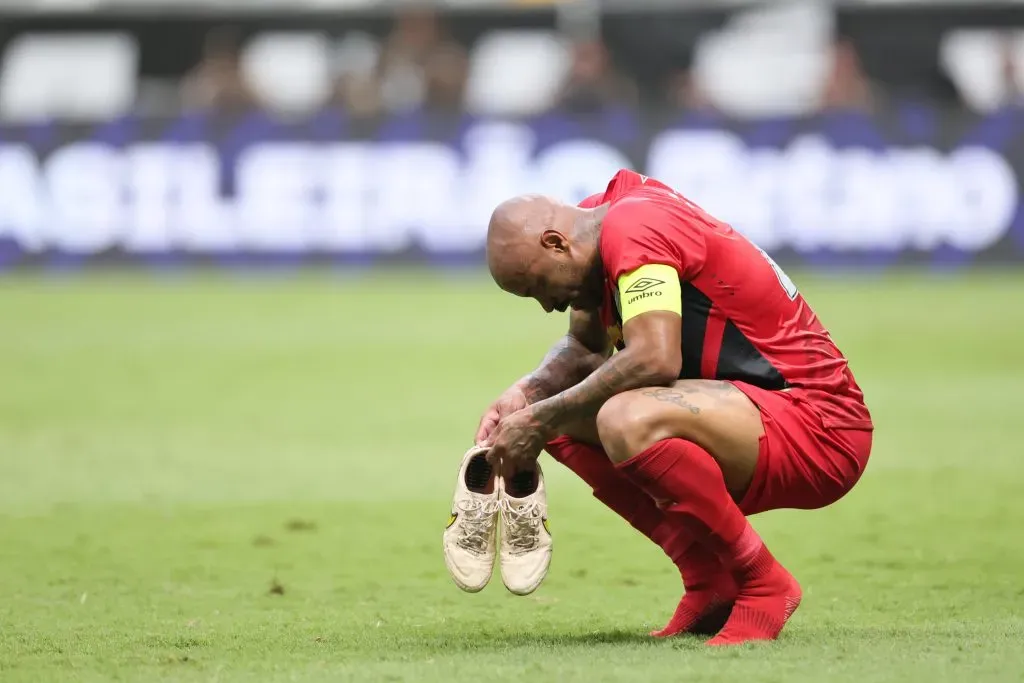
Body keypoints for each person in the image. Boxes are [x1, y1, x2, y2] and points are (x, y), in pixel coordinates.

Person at [472, 169, 873, 646]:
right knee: (559, 421)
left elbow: (655, 358)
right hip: (752, 413)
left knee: (621, 418)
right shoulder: (599, 222)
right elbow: (584, 347)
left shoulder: (634, 228)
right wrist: (528, 396)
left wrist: (540, 415)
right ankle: (709, 580)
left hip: (818, 425)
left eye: (537, 286)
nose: (546, 306)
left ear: (556, 242)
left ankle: (763, 583)